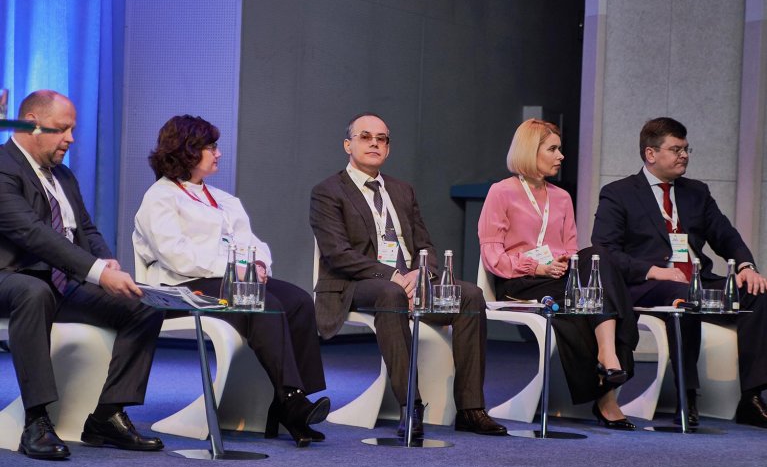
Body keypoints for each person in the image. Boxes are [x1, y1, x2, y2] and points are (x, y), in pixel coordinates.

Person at [133, 115, 329, 447]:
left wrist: (258, 264)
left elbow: (252, 242)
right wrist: (233, 270)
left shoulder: (223, 199)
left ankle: (293, 399)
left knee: (297, 301)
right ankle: (291, 400)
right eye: (210, 147)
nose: (218, 153)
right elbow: (175, 255)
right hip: (181, 287)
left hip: (228, 281)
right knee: (262, 302)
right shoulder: (160, 197)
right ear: (187, 150)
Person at [310, 112, 507, 437]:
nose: (375, 143)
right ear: (348, 145)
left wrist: (420, 275)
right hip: (356, 284)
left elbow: (425, 245)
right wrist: (392, 277)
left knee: (470, 295)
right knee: (392, 294)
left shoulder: (402, 191)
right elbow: (337, 254)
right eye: (365, 137)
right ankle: (410, 406)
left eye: (382, 139)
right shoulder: (328, 191)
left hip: (411, 282)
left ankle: (471, 408)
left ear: (388, 148)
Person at [0, 90, 165, 459]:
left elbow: (85, 229)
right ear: (32, 124)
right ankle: (36, 421)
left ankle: (107, 415)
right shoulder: (2, 166)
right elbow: (32, 233)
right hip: (10, 276)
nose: (71, 138)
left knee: (143, 306)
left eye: (72, 129)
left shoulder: (63, 175)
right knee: (32, 291)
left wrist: (107, 263)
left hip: (60, 281)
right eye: (62, 129)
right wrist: (97, 273)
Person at [592, 116, 767, 428]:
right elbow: (605, 250)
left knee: (758, 293)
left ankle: (751, 397)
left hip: (695, 279)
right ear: (651, 153)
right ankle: (688, 396)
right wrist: (653, 271)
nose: (684, 155)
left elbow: (726, 236)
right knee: (686, 298)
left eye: (686, 149)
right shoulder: (619, 193)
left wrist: (746, 266)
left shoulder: (696, 192)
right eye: (676, 149)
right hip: (645, 285)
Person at [478, 119, 639, 429]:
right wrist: (536, 266)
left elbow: (570, 248)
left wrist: (563, 261)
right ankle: (606, 395)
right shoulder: (501, 192)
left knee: (597, 258)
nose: (561, 156)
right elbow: (492, 255)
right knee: (583, 303)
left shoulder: (562, 197)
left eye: (560, 149)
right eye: (553, 149)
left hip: (559, 278)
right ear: (530, 150)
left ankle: (607, 355)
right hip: (520, 282)